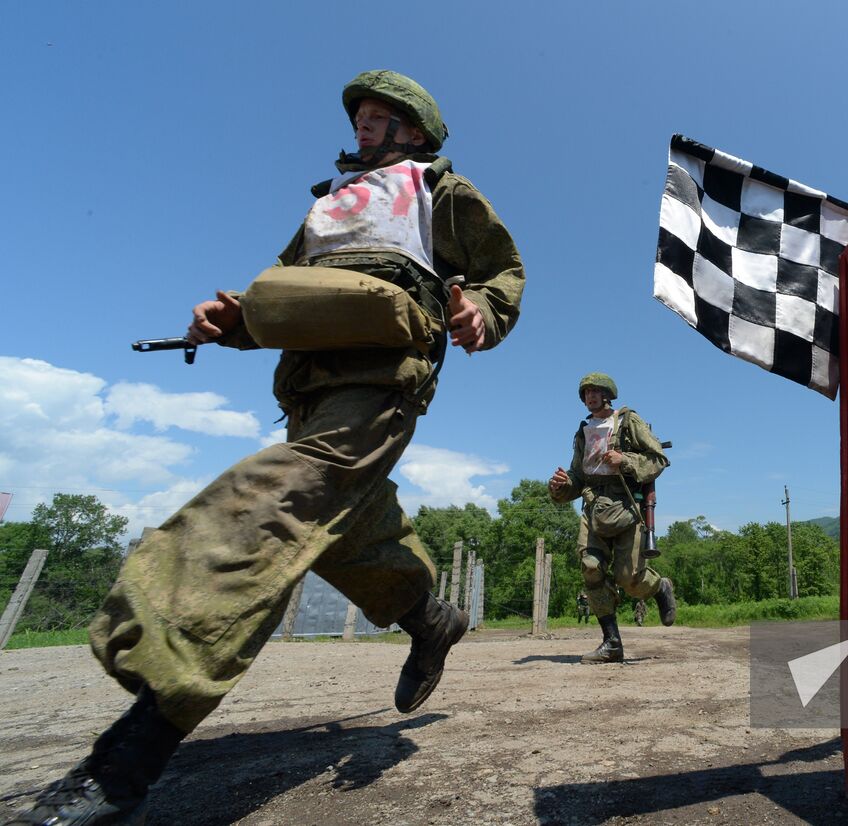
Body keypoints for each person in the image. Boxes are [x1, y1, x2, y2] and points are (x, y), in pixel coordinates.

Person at [7, 70, 525, 826]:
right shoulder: (327, 207)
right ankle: (430, 618)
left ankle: (126, 761)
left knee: (268, 511)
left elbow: (501, 268)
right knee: (341, 530)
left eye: (380, 117)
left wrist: (480, 309)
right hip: (308, 389)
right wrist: (234, 322)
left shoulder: (437, 189)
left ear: (414, 131)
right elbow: (289, 293)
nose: (364, 127)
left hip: (383, 379)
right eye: (361, 118)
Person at [548, 374, 677, 663]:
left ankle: (660, 587)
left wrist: (626, 461)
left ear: (607, 394)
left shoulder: (628, 421)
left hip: (627, 505)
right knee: (590, 568)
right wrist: (560, 486)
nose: (590, 396)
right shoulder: (583, 432)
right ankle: (612, 643)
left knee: (630, 579)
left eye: (596, 391)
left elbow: (658, 459)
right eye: (586, 393)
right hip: (593, 506)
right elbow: (578, 477)